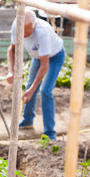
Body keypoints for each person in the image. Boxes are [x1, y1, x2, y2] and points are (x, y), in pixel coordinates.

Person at [6, 9, 65, 140]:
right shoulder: (17, 25)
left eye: (27, 31)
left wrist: (33, 89)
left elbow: (45, 65)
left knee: (45, 91)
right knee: (29, 87)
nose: (25, 35)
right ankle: (27, 120)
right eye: (22, 32)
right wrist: (11, 71)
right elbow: (12, 49)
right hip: (37, 57)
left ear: (34, 25)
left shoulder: (42, 32)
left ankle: (50, 132)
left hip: (54, 57)